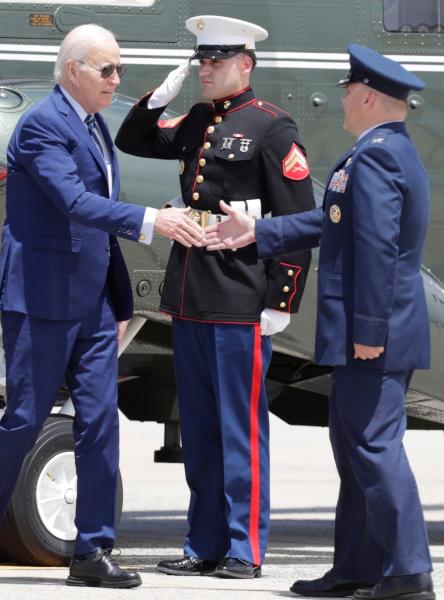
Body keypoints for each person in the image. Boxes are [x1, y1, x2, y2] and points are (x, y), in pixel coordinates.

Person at [0, 23, 206, 589]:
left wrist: (118, 299)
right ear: (72, 72)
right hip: (40, 300)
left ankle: (91, 552)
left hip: (89, 304)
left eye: (120, 69)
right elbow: (74, 202)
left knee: (98, 423)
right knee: (25, 420)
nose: (116, 79)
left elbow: (95, 224)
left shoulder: (92, 125)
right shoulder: (42, 126)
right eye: (106, 69)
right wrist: (151, 221)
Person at [204, 44, 435, 600]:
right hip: (369, 331)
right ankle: (358, 568)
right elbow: (333, 220)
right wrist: (259, 233)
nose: (344, 105)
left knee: (373, 447)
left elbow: (378, 249)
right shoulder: (382, 151)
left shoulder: (378, 156)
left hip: (373, 334)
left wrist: (369, 332)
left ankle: (409, 572)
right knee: (355, 446)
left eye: (348, 95)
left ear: (368, 97)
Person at [114, 15, 314, 579]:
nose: (206, 69)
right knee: (199, 430)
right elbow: (133, 139)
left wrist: (282, 297)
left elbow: (296, 221)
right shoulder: (199, 116)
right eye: (201, 61)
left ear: (245, 64)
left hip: (239, 294)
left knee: (238, 428)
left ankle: (244, 548)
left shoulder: (273, 128)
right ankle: (203, 543)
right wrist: (158, 96)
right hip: (190, 293)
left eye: (216, 62)